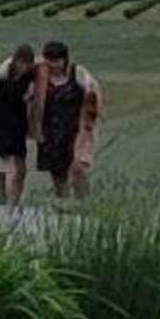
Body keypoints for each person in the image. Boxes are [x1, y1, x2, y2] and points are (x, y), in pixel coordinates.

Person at [34, 39, 105, 200]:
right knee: (58, 174)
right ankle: (63, 207)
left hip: (77, 128)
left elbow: (93, 95)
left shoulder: (78, 74)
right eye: (49, 60)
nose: (52, 65)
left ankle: (83, 204)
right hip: (50, 130)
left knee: (79, 167)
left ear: (64, 60)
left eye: (56, 61)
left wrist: (92, 117)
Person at [0, 43, 37, 205]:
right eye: (22, 63)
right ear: (17, 61)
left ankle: (14, 203)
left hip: (17, 128)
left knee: (20, 168)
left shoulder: (29, 78)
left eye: (28, 64)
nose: (24, 67)